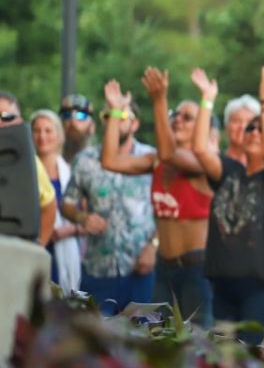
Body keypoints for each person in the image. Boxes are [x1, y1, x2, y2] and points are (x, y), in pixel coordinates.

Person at [99, 69, 216, 327]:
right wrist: (117, 113)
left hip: (197, 269)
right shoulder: (156, 161)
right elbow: (109, 160)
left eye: (188, 117)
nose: (178, 121)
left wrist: (159, 100)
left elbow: (169, 152)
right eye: (176, 115)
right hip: (164, 268)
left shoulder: (203, 162)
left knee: (199, 346)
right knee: (157, 342)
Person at [191, 60, 264, 337]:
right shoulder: (229, 171)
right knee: (223, 365)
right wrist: (207, 100)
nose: (253, 132)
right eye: (250, 128)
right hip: (224, 286)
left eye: (261, 129)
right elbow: (200, 149)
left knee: (250, 362)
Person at [61, 94, 156, 313]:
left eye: (122, 114)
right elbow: (67, 204)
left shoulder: (152, 158)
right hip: (98, 269)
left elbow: (167, 210)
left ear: (136, 123)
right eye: (108, 114)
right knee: (96, 340)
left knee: (144, 341)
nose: (114, 119)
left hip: (141, 269)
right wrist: (82, 217)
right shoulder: (84, 159)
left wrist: (154, 245)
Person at [30, 109, 82, 292]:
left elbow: (90, 219)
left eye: (48, 130)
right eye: (37, 130)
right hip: (33, 248)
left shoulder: (72, 173)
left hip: (64, 252)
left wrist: (70, 230)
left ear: (59, 135)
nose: (42, 136)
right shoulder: (24, 172)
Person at [0, 93, 57, 246]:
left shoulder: (30, 162)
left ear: (19, 121)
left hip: (14, 251)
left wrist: (37, 249)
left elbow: (49, 206)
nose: (0, 122)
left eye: (6, 117)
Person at [222, 95, 260, 165]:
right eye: (236, 121)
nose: (243, 127)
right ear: (226, 126)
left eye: (249, 122)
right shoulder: (216, 164)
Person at [59, 93, 95, 165]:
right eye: (67, 115)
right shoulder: (51, 161)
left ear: (92, 127)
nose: (73, 121)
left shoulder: (100, 162)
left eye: (81, 116)